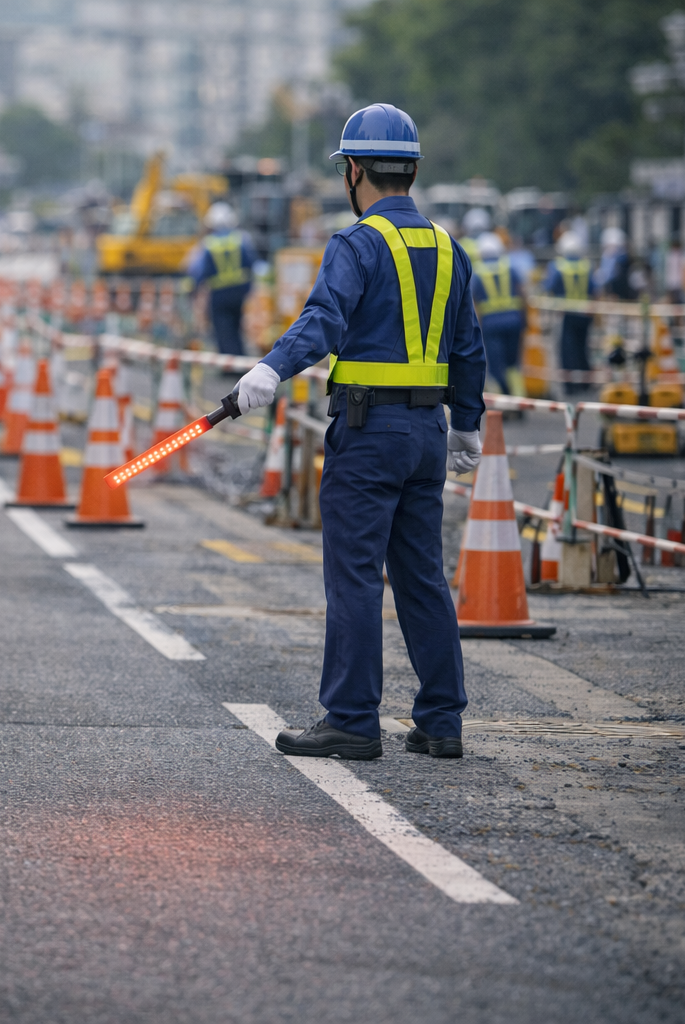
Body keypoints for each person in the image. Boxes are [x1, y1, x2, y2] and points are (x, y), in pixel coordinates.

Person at [231, 103, 486, 761]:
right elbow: (469, 347)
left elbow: (323, 320)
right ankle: (441, 721)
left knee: (354, 576)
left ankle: (350, 718)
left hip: (369, 434)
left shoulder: (355, 243)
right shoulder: (447, 246)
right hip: (429, 434)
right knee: (422, 576)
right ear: (413, 170)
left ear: (352, 172)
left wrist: (270, 369)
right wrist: (468, 426)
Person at [187, 201, 257, 356]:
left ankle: (229, 365)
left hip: (219, 293)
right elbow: (251, 264)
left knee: (222, 330)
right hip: (239, 292)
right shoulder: (241, 239)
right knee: (236, 326)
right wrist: (250, 288)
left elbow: (200, 271)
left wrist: (192, 290)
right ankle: (239, 360)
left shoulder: (209, 243)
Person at [471, 232, 526, 395]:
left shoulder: (478, 272)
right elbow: (523, 294)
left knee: (495, 365)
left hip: (491, 325)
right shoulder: (510, 267)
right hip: (514, 321)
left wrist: (476, 328)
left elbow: (475, 304)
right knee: (513, 365)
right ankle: (519, 399)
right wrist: (525, 319)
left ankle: (503, 403)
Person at [545, 230, 595, 395]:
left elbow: (548, 287)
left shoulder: (557, 266)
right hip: (585, 313)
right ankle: (585, 383)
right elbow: (594, 290)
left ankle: (570, 385)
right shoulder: (586, 266)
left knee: (567, 351)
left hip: (566, 314)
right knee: (582, 348)